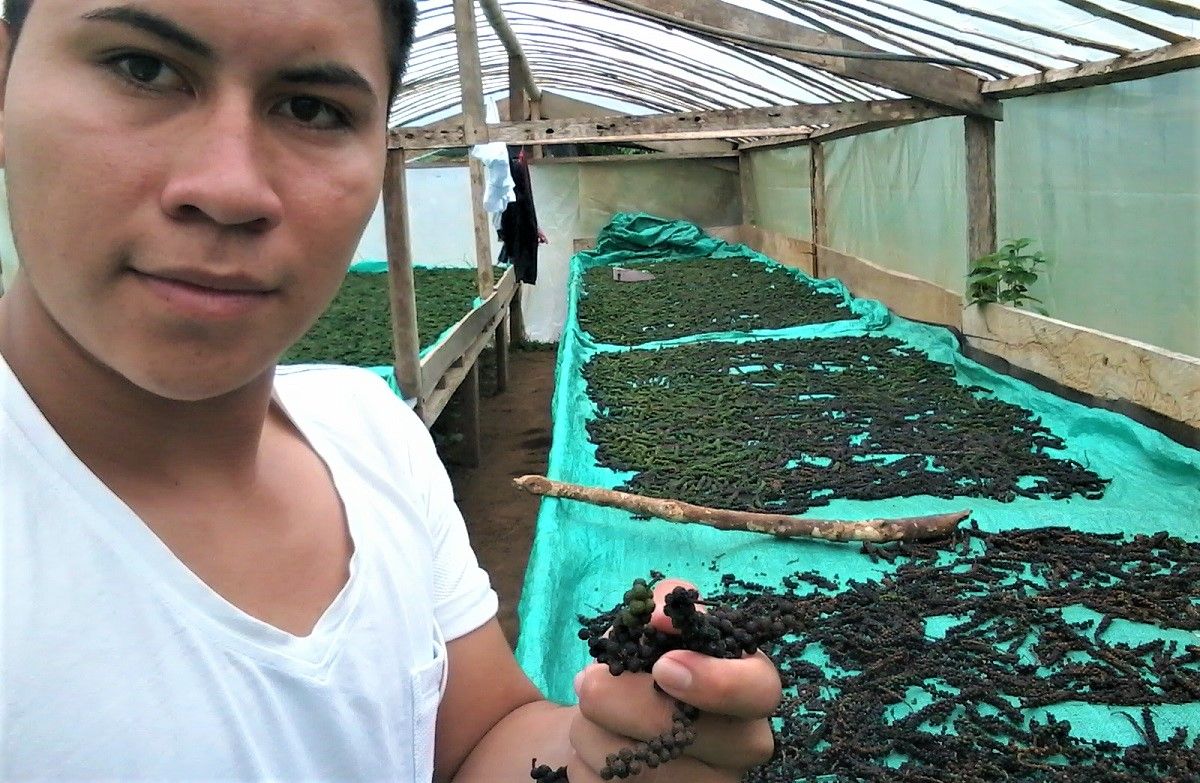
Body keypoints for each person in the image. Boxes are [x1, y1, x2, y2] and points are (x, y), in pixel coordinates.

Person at [0, 1, 781, 781]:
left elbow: (478, 738)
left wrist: (612, 755)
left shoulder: (370, 431)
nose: (229, 188)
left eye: (312, 108)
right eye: (143, 69)